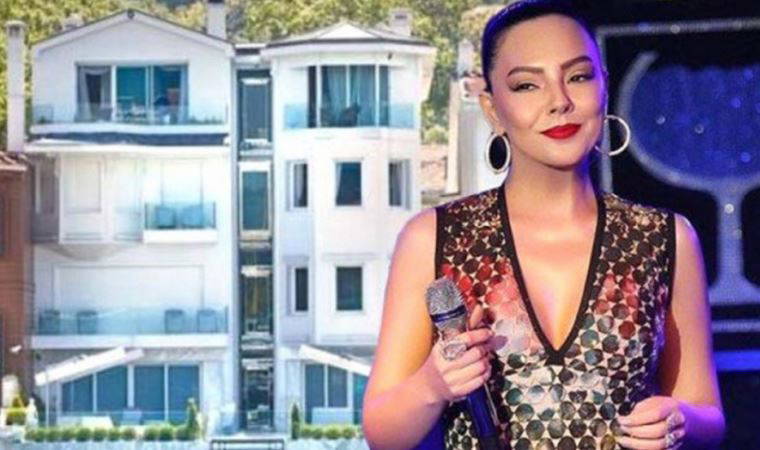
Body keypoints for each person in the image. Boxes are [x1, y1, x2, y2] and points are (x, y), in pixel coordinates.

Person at [362, 1, 725, 449]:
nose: (559, 102)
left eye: (578, 77)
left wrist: (680, 421)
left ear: (604, 87)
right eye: (527, 85)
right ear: (493, 109)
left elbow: (708, 415)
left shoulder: (665, 238)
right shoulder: (433, 237)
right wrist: (432, 385)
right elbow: (381, 431)